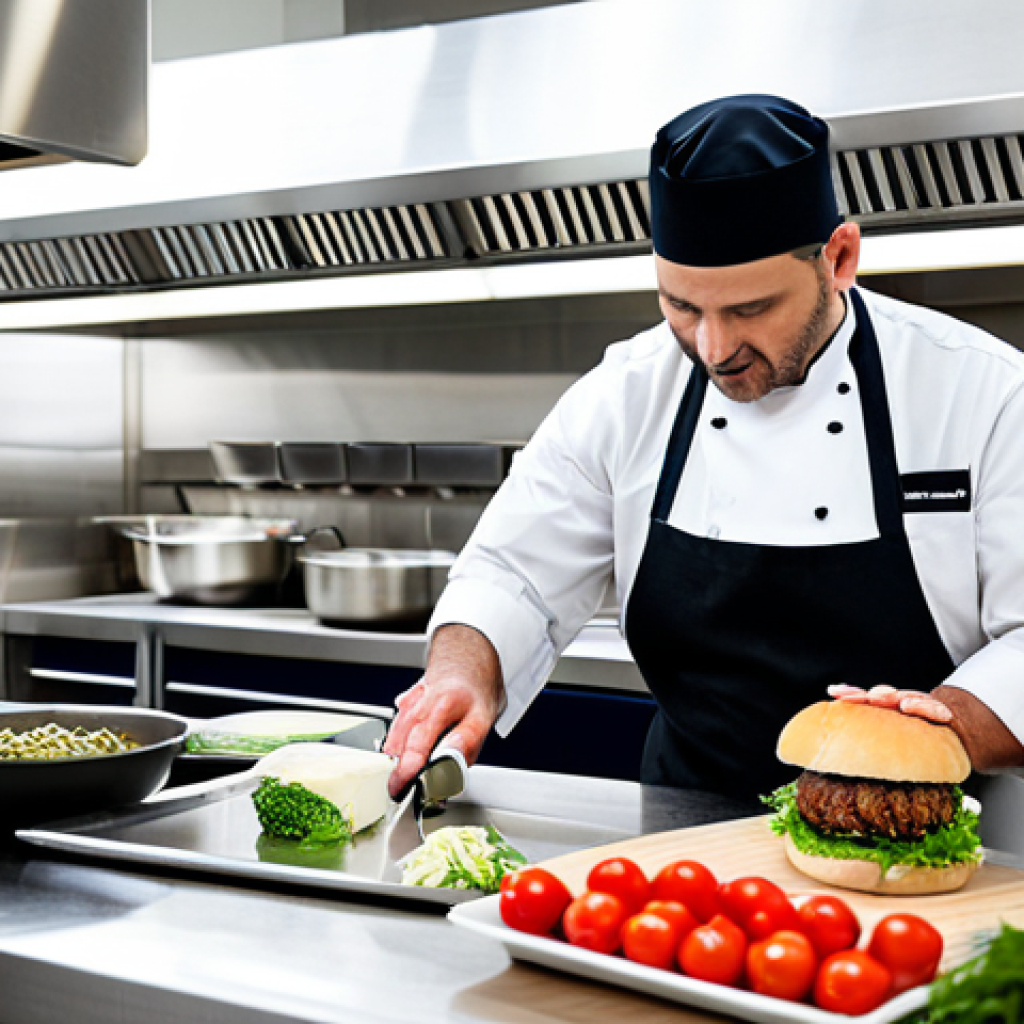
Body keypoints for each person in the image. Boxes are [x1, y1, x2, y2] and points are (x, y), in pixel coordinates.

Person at [384, 94, 1024, 803]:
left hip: (927, 836)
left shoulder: (982, 393)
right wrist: (462, 671)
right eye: (682, 307)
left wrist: (937, 731)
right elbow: (512, 575)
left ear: (839, 259)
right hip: (682, 837)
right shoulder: (626, 391)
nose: (714, 351)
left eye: (750, 309)